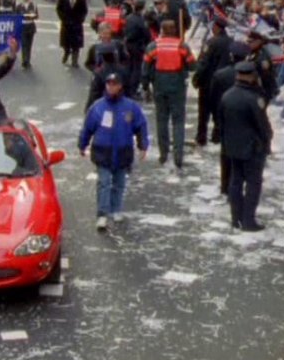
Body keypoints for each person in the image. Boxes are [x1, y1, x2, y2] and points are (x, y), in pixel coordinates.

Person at [78, 73, 149, 230]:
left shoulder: (130, 107)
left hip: (123, 152)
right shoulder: (98, 107)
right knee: (103, 183)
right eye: (108, 84)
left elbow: (140, 126)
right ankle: (102, 214)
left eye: (114, 84)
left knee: (119, 182)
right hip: (103, 152)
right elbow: (88, 128)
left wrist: (142, 145)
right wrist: (82, 145)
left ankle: (116, 209)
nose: (111, 87)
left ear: (120, 86)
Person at [219, 61, 273, 232]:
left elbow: (221, 121)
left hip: (232, 147)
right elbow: (262, 125)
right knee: (253, 183)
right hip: (252, 148)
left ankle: (236, 218)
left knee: (235, 181)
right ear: (250, 76)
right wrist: (267, 141)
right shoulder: (253, 99)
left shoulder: (227, 95)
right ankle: (248, 220)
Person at [141, 20, 196, 169]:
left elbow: (145, 67)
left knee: (162, 120)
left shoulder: (153, 46)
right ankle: (178, 155)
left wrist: (145, 86)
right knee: (178, 121)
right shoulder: (182, 46)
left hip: (159, 85)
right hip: (177, 86)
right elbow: (192, 65)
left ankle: (163, 153)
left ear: (162, 30)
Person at [210, 41, 252, 195]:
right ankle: (240, 183)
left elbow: (213, 99)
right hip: (246, 120)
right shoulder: (253, 76)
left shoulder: (220, 75)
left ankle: (225, 184)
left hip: (225, 118)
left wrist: (216, 120)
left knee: (226, 153)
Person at [191, 16, 232, 145]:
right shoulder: (231, 42)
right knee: (219, 111)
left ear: (217, 27)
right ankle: (217, 136)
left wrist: (197, 77)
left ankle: (201, 137)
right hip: (225, 82)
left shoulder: (211, 43)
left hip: (209, 81)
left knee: (204, 112)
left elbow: (204, 62)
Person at [84, 43, 129, 112]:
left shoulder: (99, 72)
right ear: (114, 55)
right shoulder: (123, 70)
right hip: (121, 106)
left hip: (104, 106)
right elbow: (128, 89)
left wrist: (89, 109)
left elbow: (94, 93)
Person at [123, 0, 151, 99]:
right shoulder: (141, 21)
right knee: (137, 69)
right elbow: (147, 34)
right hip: (137, 46)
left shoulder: (128, 17)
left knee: (129, 67)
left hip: (128, 44)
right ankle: (133, 90)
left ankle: (127, 88)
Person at [56, 0, 88, 68]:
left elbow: (84, 10)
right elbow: (59, 9)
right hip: (66, 23)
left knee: (76, 44)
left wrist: (81, 19)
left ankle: (75, 61)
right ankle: (66, 53)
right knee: (66, 43)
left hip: (77, 24)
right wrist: (63, 18)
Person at [246, 30, 278, 102]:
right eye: (248, 42)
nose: (248, 44)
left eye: (251, 42)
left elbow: (266, 78)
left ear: (258, 42)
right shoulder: (253, 52)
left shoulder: (262, 58)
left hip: (265, 92)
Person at [16, 0, 38, 68]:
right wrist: (27, 16)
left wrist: (26, 16)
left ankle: (28, 60)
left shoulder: (33, 5)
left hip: (31, 26)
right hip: (23, 26)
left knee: (29, 45)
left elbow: (36, 16)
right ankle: (24, 60)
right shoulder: (19, 6)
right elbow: (17, 16)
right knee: (24, 44)